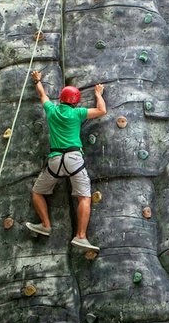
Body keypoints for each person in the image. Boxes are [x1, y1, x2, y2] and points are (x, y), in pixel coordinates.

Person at [25, 70, 107, 251]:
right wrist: (98, 94)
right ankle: (80, 236)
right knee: (84, 197)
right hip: (74, 159)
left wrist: (37, 80)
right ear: (75, 101)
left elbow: (42, 95)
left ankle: (45, 225)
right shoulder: (77, 113)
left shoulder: (52, 111)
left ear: (61, 99)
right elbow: (102, 110)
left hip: (55, 160)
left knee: (37, 192)